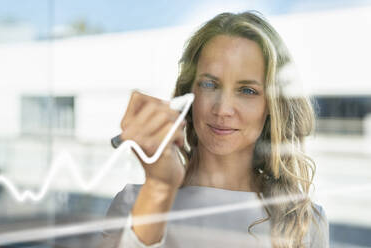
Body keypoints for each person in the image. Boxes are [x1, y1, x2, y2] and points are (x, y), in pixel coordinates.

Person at [98, 11, 329, 248]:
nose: (223, 109)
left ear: (271, 104)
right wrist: (159, 188)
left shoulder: (305, 222)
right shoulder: (135, 205)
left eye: (247, 90)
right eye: (210, 84)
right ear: (189, 92)